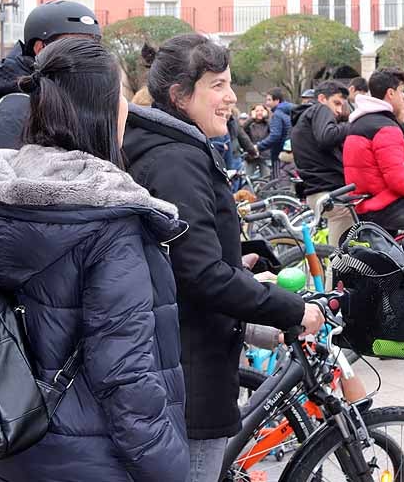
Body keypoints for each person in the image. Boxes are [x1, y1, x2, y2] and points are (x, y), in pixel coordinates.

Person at [0, 39, 189, 481]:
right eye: (122, 95)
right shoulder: (109, 220)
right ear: (104, 110)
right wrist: (169, 468)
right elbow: (125, 373)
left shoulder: (2, 196)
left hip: (19, 448)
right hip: (97, 460)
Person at [123, 34, 323, 482]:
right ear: (179, 96)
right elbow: (199, 273)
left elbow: (187, 253)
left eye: (229, 84)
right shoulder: (176, 158)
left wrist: (241, 261)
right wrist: (293, 309)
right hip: (189, 368)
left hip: (180, 359)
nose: (230, 97)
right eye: (216, 85)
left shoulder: (171, 149)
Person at [0, 0, 103, 168]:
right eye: (73, 46)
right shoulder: (16, 109)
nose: (85, 55)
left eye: (92, 47)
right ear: (40, 48)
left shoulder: (75, 99)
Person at [343, 67, 404, 233]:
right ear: (391, 93)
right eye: (401, 92)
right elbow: (397, 179)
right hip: (386, 209)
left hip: (365, 207)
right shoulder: (385, 128)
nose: (403, 97)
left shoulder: (359, 122)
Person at [290, 80, 352, 246]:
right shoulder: (320, 109)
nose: (339, 110)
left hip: (316, 191)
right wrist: (352, 125)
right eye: (336, 103)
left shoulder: (303, 118)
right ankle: (333, 271)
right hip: (329, 192)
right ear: (322, 98)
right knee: (340, 254)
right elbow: (327, 137)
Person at [254, 88, 293, 179]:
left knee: (278, 182)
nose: (266, 103)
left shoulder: (277, 114)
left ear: (277, 100)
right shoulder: (289, 112)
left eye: (269, 100)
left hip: (279, 154)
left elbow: (275, 136)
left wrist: (259, 146)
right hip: (290, 152)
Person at [243, 104, 271, 178]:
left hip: (265, 156)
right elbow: (242, 130)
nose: (260, 112)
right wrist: (251, 118)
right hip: (251, 155)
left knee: (267, 178)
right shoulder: (249, 124)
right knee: (246, 178)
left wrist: (267, 117)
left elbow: (273, 131)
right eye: (257, 111)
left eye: (262, 110)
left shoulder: (268, 124)